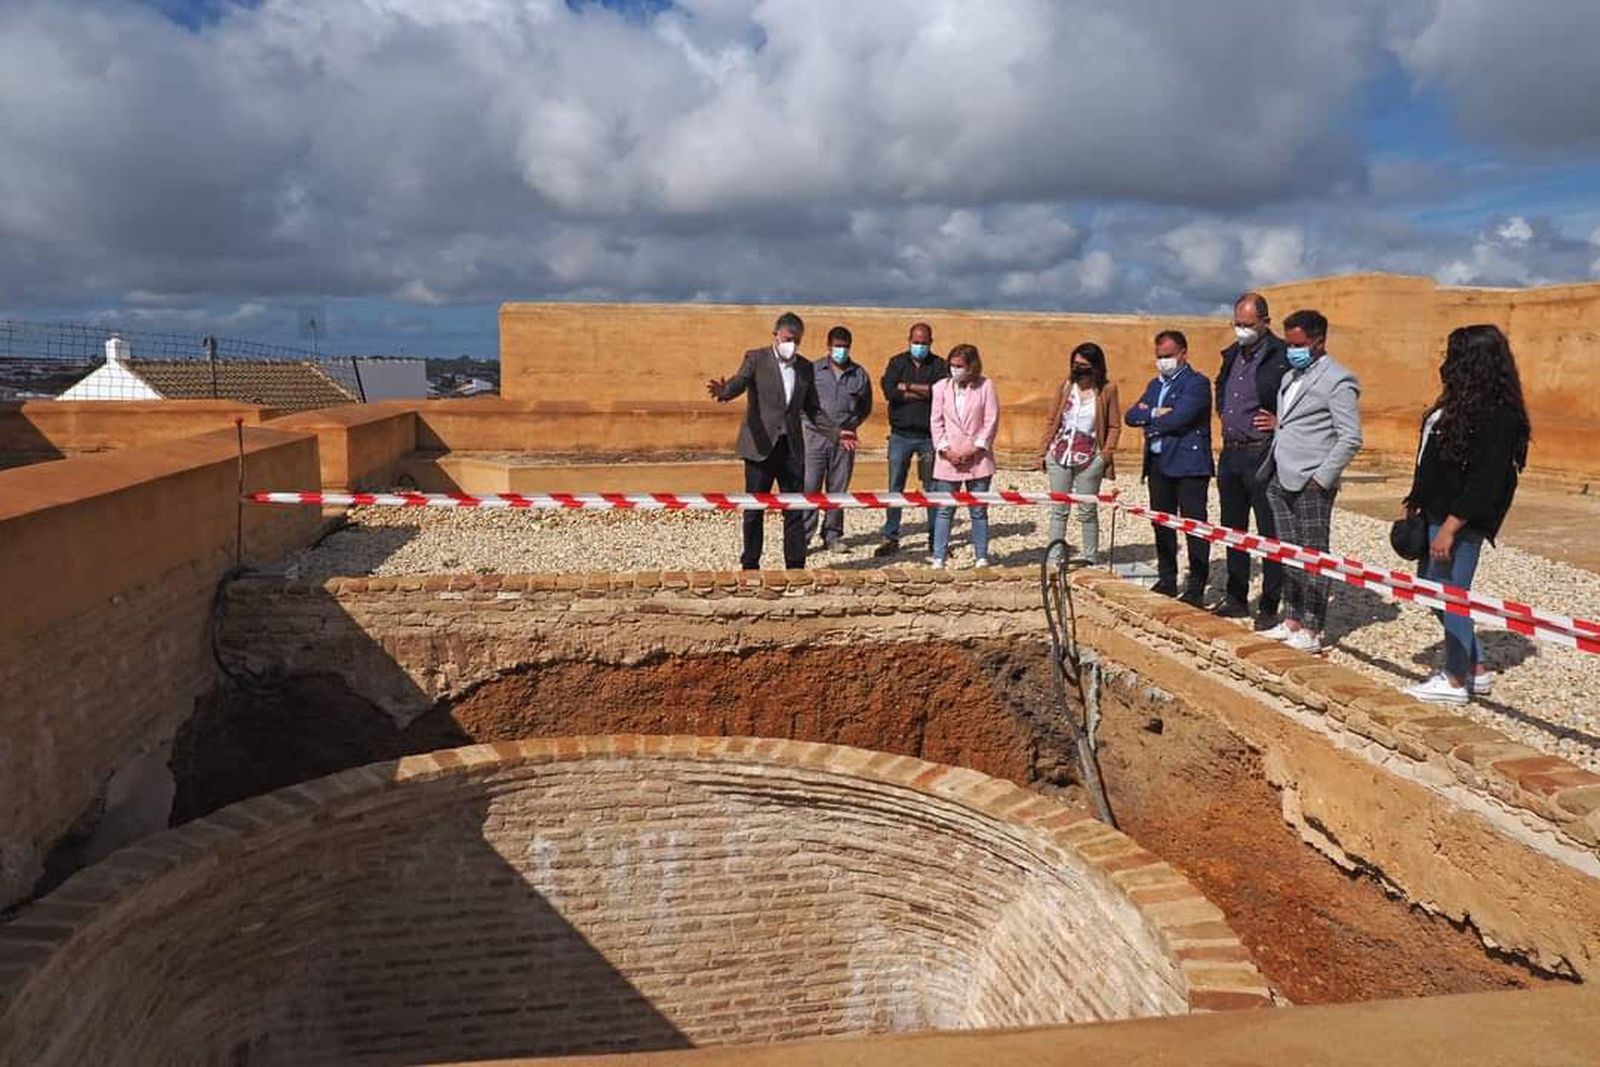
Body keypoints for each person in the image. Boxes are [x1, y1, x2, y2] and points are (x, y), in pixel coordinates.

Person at [1401, 324, 1531, 705]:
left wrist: (1452, 528)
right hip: (1435, 513)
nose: (1446, 360)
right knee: (1432, 591)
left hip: (1460, 522)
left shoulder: (1498, 416)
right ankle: (1475, 667)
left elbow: (1485, 481)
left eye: (1453, 352)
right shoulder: (1458, 404)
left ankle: (1456, 680)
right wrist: (1416, 499)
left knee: (1452, 595)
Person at [707, 312, 852, 570]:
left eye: (796, 340)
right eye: (787, 339)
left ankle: (795, 566)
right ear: (775, 335)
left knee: (794, 508)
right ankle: (750, 564)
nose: (791, 345)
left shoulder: (805, 368)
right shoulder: (756, 358)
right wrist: (725, 392)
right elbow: (740, 381)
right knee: (754, 510)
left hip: (792, 449)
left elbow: (813, 409)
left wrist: (836, 432)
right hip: (760, 447)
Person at [1258, 310, 1363, 654]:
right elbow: (1288, 423)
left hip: (1311, 481)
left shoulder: (1338, 380)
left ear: (1319, 342)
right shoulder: (1290, 377)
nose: (1292, 350)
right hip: (1281, 476)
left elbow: (1350, 437)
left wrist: (1322, 478)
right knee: (1289, 552)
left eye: (1298, 344)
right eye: (1288, 343)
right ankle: (1292, 619)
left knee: (1314, 554)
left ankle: (1314, 629)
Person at [1212, 292, 1291, 628]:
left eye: (1247, 324)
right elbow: (1221, 387)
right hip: (1231, 451)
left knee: (1269, 530)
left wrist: (1279, 422)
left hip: (1261, 451)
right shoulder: (1232, 355)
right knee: (1233, 528)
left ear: (1265, 322)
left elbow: (1297, 396)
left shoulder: (1282, 356)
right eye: (1237, 324)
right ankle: (1236, 596)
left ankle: (1271, 603)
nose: (1241, 330)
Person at [1124, 330, 1214, 604]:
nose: (1163, 361)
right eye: (1159, 356)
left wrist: (1150, 421)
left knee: (1194, 526)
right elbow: (1131, 415)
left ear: (1183, 353)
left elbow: (1181, 418)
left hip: (1188, 465)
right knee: (1162, 524)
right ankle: (1167, 579)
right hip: (1158, 465)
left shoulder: (1196, 383)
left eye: (1168, 356)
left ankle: (1197, 587)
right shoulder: (1155, 385)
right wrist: (1152, 413)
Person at [1038, 341, 1121, 565]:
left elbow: (1114, 425)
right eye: (1075, 364)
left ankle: (1090, 559)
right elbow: (1051, 419)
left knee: (1087, 510)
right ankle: (1054, 559)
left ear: (1095, 366)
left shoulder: (1107, 390)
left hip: (1089, 458)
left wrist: (1104, 456)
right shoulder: (1065, 387)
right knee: (1059, 509)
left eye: (1083, 365)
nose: (1078, 368)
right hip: (1059, 455)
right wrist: (1043, 450)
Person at [876, 322, 948, 556]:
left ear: (931, 342)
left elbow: (940, 392)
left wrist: (906, 387)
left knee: (932, 488)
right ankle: (891, 536)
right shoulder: (897, 362)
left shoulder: (939, 365)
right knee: (895, 486)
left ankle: (934, 538)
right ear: (909, 340)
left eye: (924, 343)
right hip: (900, 436)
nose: (920, 346)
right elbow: (889, 390)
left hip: (928, 437)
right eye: (916, 342)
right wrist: (921, 390)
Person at [927, 344, 999, 569]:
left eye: (960, 366)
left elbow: (991, 420)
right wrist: (945, 450)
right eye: (952, 365)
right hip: (949, 457)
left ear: (971, 367)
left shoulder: (985, 386)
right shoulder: (940, 387)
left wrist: (976, 448)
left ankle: (981, 556)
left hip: (977, 457)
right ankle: (939, 556)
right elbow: (936, 421)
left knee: (978, 509)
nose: (955, 369)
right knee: (945, 508)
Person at [802, 325, 873, 552]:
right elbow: (804, 405)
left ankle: (832, 535)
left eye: (844, 347)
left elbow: (865, 406)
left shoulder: (859, 374)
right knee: (810, 486)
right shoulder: (813, 370)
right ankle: (804, 536)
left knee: (838, 488)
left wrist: (851, 427)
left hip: (845, 441)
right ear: (829, 346)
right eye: (837, 346)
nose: (840, 351)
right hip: (814, 438)